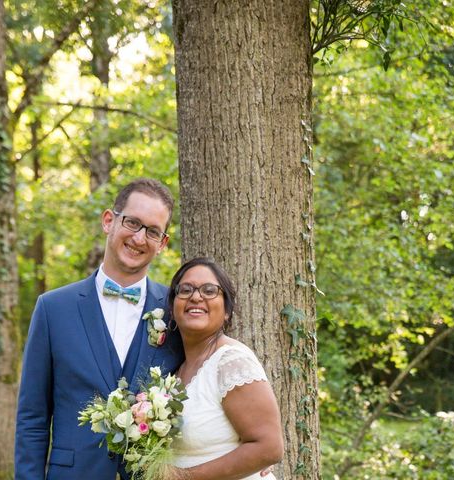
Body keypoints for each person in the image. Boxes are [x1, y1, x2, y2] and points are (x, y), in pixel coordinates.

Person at [14, 178, 184, 480]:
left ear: (162, 244)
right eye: (132, 222)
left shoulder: (176, 312)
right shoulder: (53, 309)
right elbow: (33, 418)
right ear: (109, 221)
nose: (140, 238)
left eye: (153, 231)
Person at [168, 257, 284, 480]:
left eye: (209, 290)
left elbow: (269, 448)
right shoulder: (175, 372)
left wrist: (181, 478)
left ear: (227, 310)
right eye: (185, 290)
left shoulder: (232, 362)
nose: (195, 297)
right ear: (172, 308)